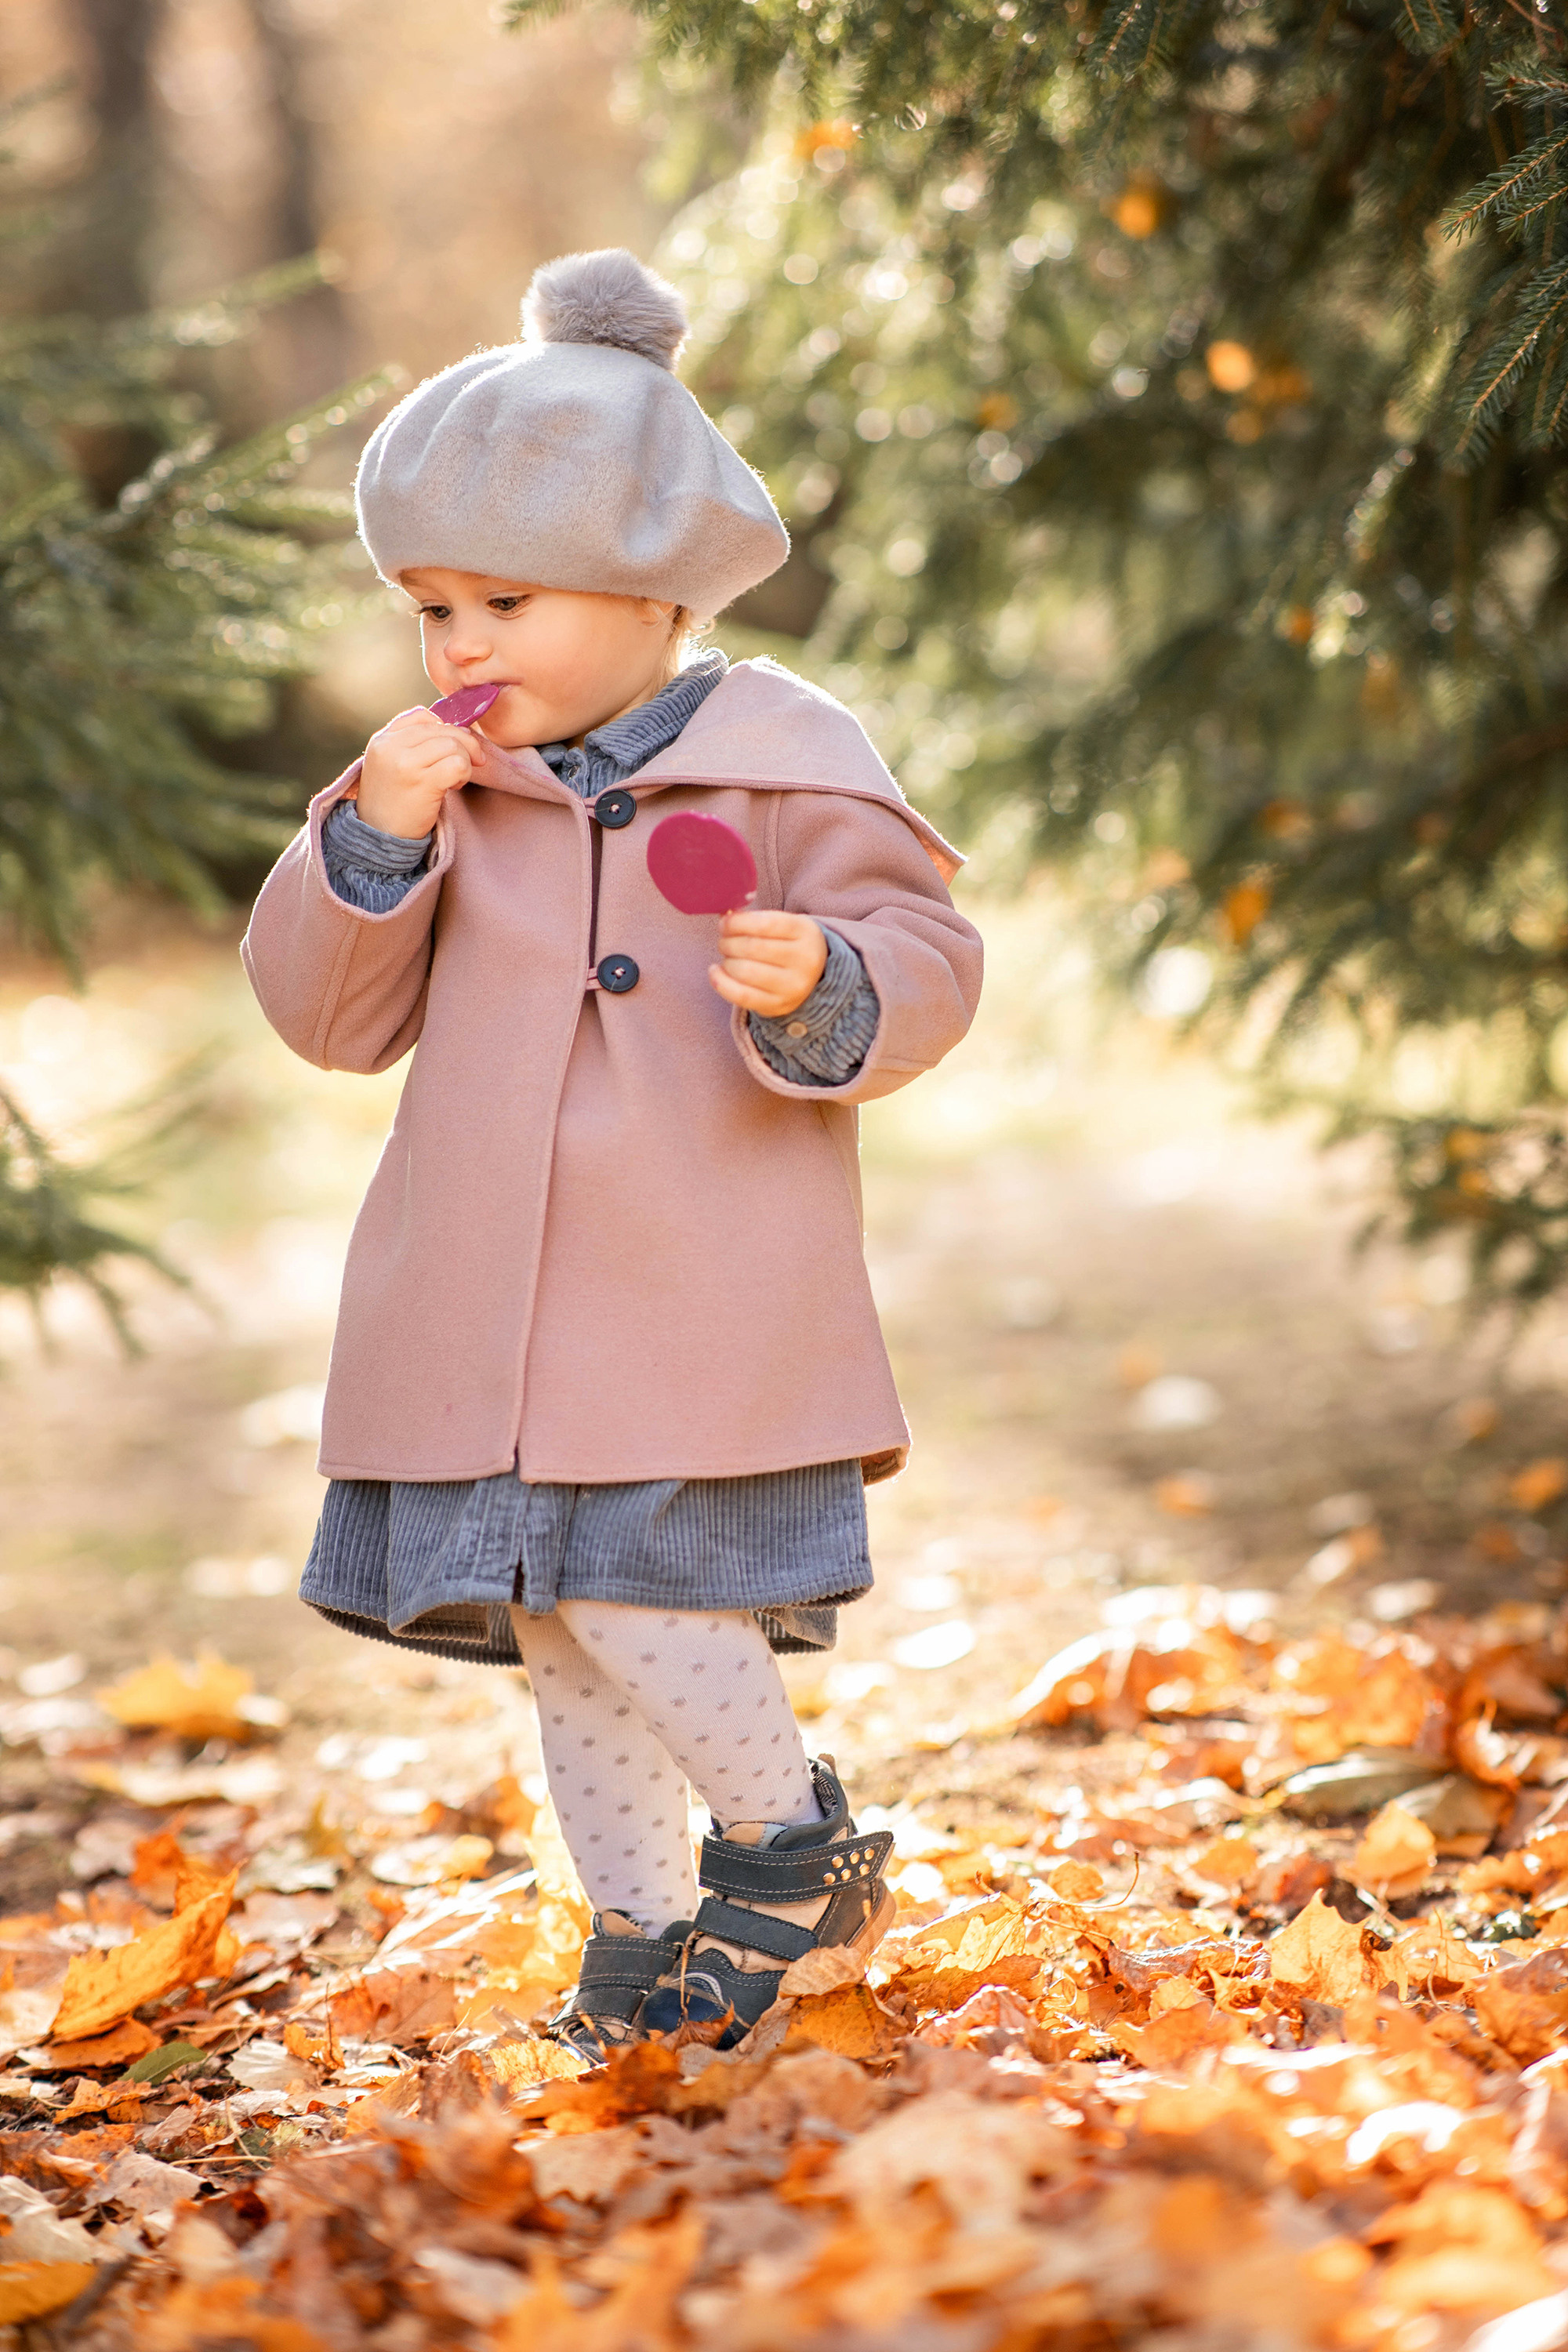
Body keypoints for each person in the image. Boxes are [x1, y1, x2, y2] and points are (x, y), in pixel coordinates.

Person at [241, 248, 982, 2056]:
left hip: (694, 1298)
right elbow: (328, 1016)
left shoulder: (789, 764)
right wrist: (367, 846)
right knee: (553, 1631)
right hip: (482, 1306)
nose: (461, 646)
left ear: (651, 591)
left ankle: (788, 1846)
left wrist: (831, 977)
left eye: (503, 597)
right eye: (430, 609)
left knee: (641, 1595)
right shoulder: (436, 794)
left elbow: (930, 966)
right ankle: (640, 1928)